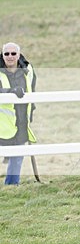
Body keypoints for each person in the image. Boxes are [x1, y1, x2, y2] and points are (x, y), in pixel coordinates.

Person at [0, 42, 36, 185]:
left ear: (19, 55)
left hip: (21, 121)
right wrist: (11, 92)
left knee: (17, 158)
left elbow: (32, 90)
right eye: (6, 54)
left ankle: (12, 186)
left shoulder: (28, 70)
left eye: (13, 53)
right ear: (2, 56)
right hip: (2, 124)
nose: (10, 56)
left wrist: (31, 113)